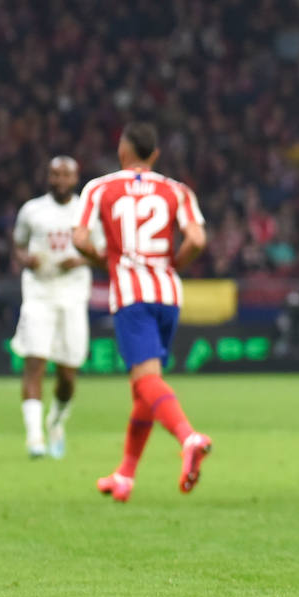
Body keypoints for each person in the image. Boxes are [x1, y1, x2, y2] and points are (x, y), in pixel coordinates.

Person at [73, 123, 212, 503]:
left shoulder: (99, 188)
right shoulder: (176, 190)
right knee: (145, 387)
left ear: (122, 149)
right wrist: (174, 264)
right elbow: (197, 240)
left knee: (146, 380)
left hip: (131, 296)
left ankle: (189, 437)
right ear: (154, 154)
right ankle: (125, 476)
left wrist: (104, 261)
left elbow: (80, 240)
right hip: (168, 293)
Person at [11, 157, 99, 459]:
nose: (59, 180)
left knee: (67, 375)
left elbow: (103, 251)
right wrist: (25, 259)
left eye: (65, 175)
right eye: (54, 174)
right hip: (38, 294)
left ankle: (56, 421)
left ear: (75, 179)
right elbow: (19, 244)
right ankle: (34, 438)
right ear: (47, 177)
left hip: (73, 296)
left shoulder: (86, 212)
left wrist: (82, 258)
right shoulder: (32, 210)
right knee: (34, 363)